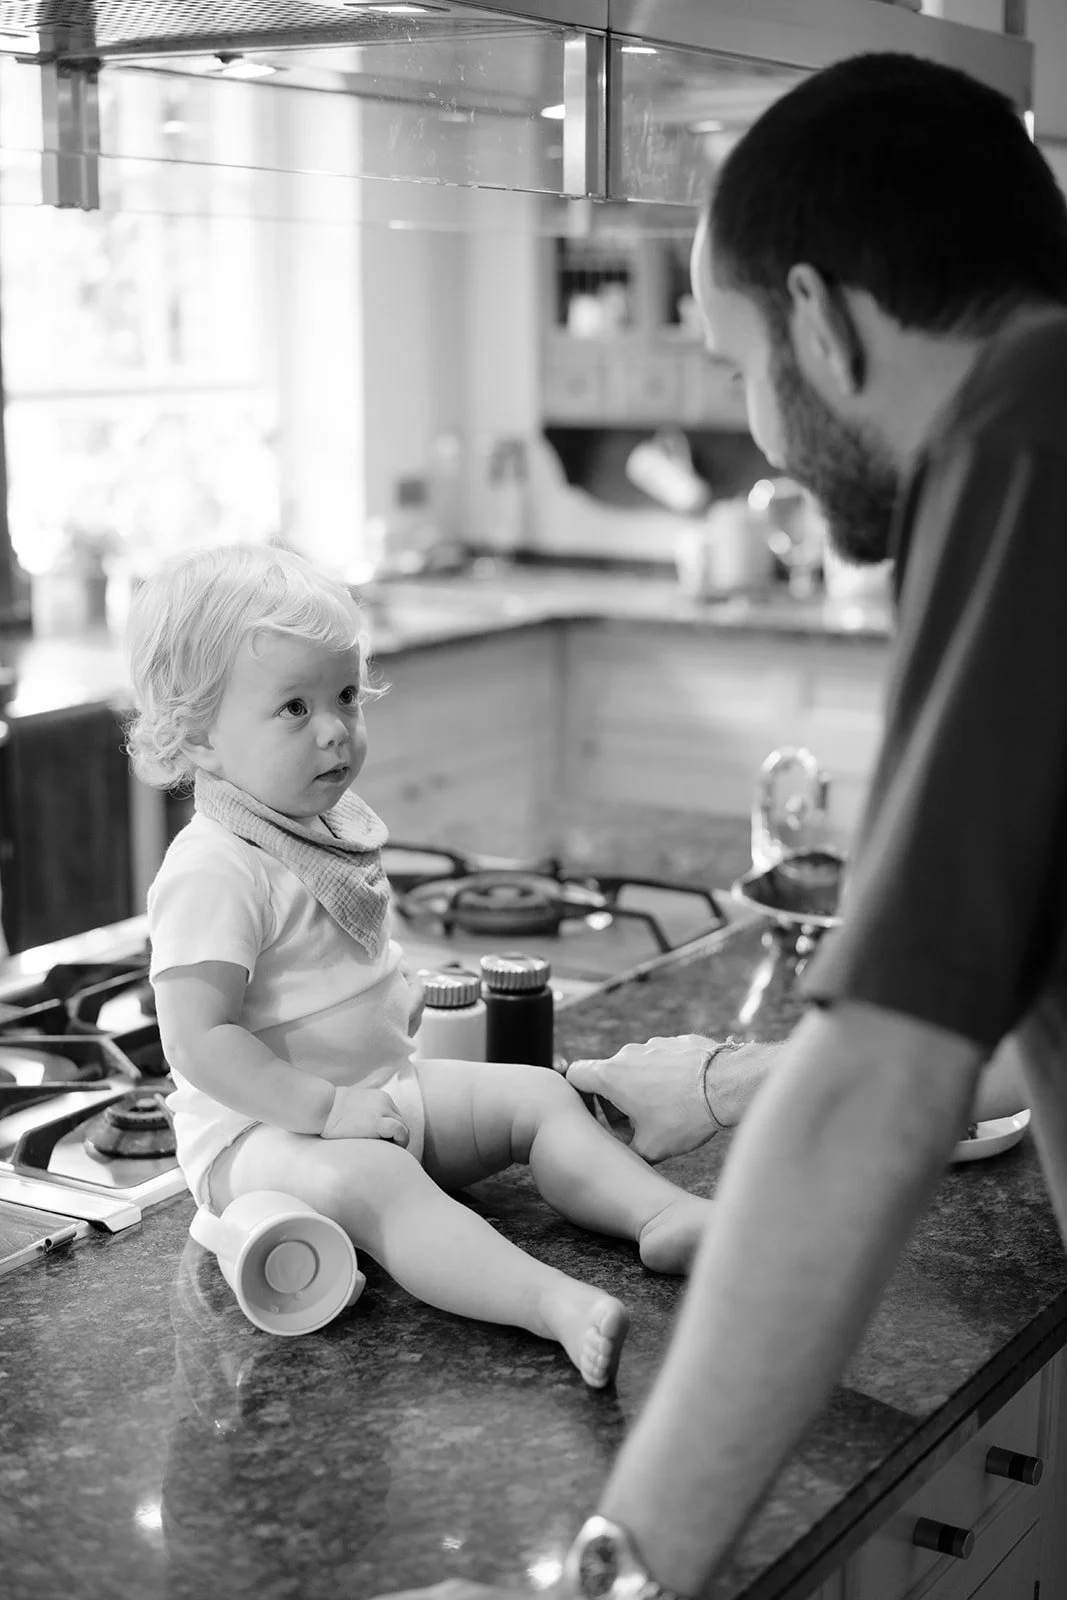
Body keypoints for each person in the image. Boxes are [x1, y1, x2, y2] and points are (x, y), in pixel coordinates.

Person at [371, 49, 1067, 1600]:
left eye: (740, 361)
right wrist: (737, 1074)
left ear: (818, 319)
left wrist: (621, 1575)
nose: (756, 430)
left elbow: (880, 1084)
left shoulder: (1021, 434)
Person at [127, 543, 715, 1389]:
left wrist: (393, 1012)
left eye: (344, 696)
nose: (335, 728)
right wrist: (326, 1111)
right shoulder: (214, 865)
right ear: (199, 740)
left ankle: (662, 1216)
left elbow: (338, 974)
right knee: (382, 1185)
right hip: (257, 1139)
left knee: (535, 1094)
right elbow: (199, 1040)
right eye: (293, 708)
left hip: (368, 1100)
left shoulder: (315, 830)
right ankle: (551, 1304)